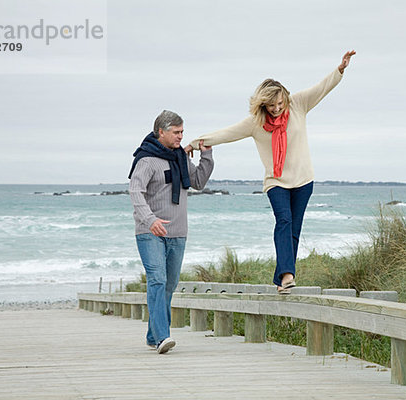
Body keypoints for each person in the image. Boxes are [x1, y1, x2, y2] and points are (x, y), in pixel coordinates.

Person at [186, 51, 356, 294]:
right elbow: (227, 132)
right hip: (276, 181)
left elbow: (322, 88)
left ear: (285, 98)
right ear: (263, 104)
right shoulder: (255, 122)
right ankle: (287, 274)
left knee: (294, 229)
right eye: (272, 105)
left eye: (280, 104)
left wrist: (340, 69)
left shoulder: (298, 104)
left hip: (303, 179)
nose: (277, 109)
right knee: (283, 221)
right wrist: (195, 142)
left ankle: (282, 279)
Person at [129, 110, 214, 353]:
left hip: (178, 232)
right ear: (161, 132)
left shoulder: (180, 157)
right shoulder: (146, 160)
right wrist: (150, 219)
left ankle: (152, 334)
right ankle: (162, 337)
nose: (180, 137)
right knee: (157, 280)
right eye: (176, 132)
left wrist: (206, 156)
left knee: (169, 285)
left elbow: (197, 181)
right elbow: (136, 192)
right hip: (150, 232)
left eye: (182, 132)